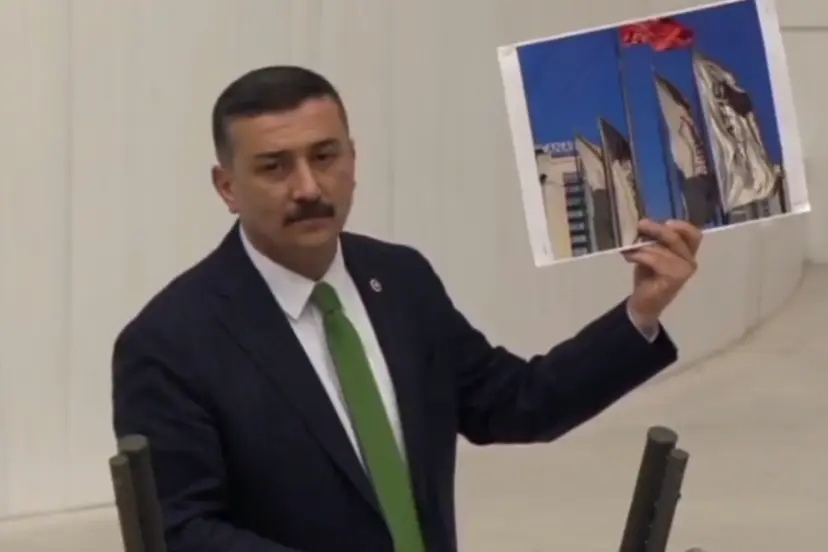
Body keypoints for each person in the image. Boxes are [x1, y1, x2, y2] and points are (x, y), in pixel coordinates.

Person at [112, 66, 702, 552]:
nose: (309, 187)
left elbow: (516, 404)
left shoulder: (400, 280)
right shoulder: (169, 344)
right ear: (227, 187)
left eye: (325, 156)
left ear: (353, 160)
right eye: (275, 167)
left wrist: (642, 311)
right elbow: (181, 533)